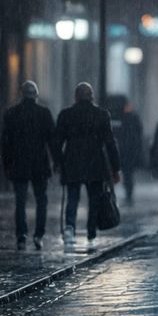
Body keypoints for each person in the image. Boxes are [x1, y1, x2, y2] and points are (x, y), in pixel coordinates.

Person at [56, 81, 120, 247]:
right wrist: (115, 168)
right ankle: (91, 229)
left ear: (76, 97)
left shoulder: (66, 115)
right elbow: (110, 143)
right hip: (95, 163)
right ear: (92, 97)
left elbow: (57, 142)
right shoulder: (101, 114)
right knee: (94, 199)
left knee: (72, 198)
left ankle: (70, 227)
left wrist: (59, 162)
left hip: (72, 162)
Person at [3, 81, 57, 250]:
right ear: (36, 95)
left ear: (21, 94)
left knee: (20, 201)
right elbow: (52, 140)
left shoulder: (12, 113)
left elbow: (6, 142)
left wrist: (6, 163)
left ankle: (21, 235)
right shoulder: (44, 113)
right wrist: (57, 162)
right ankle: (38, 235)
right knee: (41, 200)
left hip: (19, 163)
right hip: (39, 164)